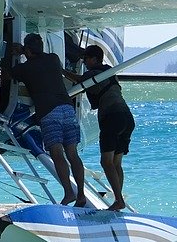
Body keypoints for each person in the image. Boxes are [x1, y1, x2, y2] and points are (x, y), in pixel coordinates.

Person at [10, 33, 86, 207]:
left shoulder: (25, 68)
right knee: (72, 154)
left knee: (57, 153)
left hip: (49, 112)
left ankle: (68, 193)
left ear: (27, 50)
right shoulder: (53, 59)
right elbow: (38, 57)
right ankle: (81, 194)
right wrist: (25, 50)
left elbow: (8, 74)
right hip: (67, 109)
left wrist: (13, 53)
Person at [64, 45, 135, 211]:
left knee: (106, 162)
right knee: (116, 163)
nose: (85, 62)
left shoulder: (93, 73)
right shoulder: (109, 71)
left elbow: (78, 80)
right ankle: (118, 199)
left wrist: (59, 70)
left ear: (94, 59)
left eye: (86, 59)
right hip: (126, 117)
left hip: (111, 117)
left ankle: (118, 200)